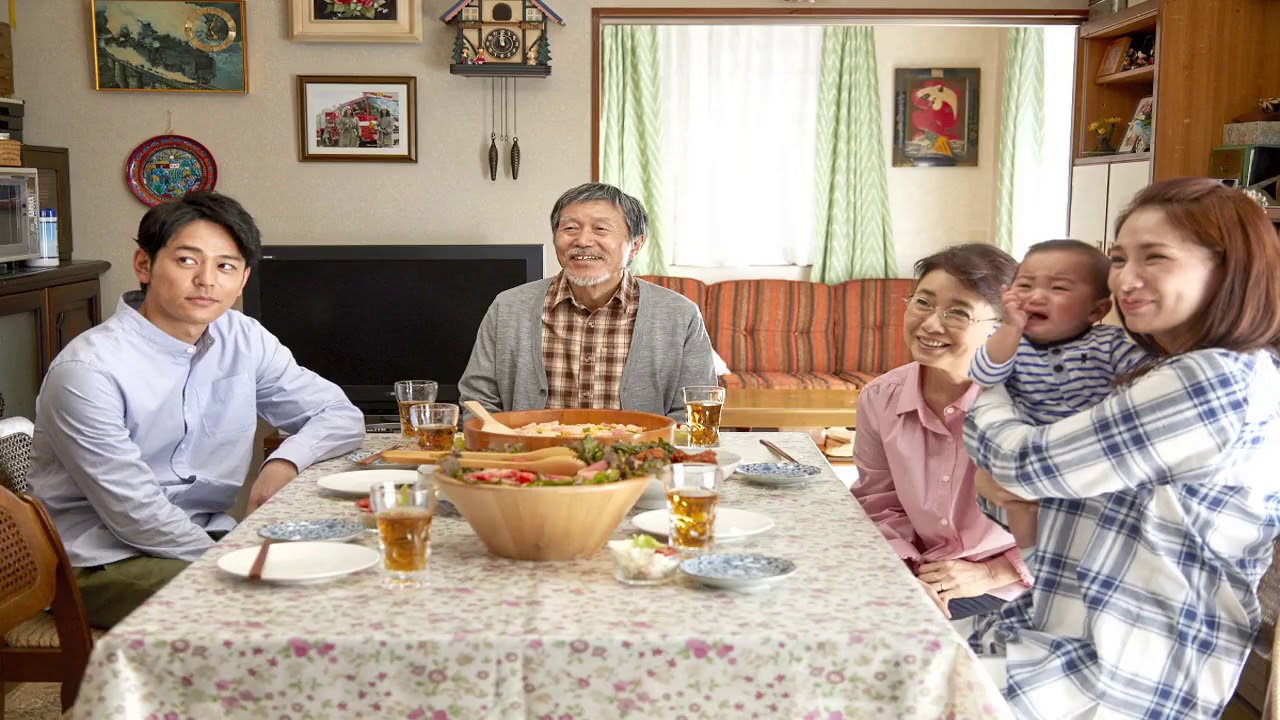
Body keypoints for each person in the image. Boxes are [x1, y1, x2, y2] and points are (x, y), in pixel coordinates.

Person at [963, 178, 1280, 719]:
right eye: (1118, 258)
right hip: (1054, 623)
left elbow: (1022, 464)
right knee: (886, 655)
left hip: (1123, 669)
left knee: (889, 684)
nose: (1127, 280)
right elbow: (1025, 492)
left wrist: (985, 392)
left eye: (1155, 257)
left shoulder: (1216, 380)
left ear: (1230, 268)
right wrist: (1004, 477)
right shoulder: (1158, 372)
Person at [26, 191, 364, 629]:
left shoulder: (243, 338)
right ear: (144, 265)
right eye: (187, 260)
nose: (206, 280)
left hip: (204, 537)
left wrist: (285, 461)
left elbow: (339, 414)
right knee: (282, 605)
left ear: (242, 279)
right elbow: (137, 516)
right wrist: (238, 560)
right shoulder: (87, 371)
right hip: (101, 562)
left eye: (225, 266)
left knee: (350, 568)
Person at [852, 244, 1033, 621]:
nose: (931, 324)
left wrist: (992, 572)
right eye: (923, 302)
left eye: (958, 312)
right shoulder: (880, 398)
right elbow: (880, 500)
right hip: (924, 571)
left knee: (873, 624)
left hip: (1013, 580)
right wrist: (901, 569)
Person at [458, 182, 715, 420]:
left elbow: (694, 411)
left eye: (601, 229)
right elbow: (478, 402)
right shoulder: (509, 307)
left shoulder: (680, 315)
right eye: (570, 228)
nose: (582, 241)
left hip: (641, 455)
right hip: (529, 454)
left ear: (635, 245)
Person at [968, 239, 1147, 548]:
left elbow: (1147, 380)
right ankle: (1034, 553)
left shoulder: (1109, 343)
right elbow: (984, 375)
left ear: (1097, 309)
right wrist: (1010, 328)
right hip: (1032, 454)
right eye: (1024, 285)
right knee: (1025, 515)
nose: (1036, 296)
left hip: (1089, 454)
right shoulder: (1010, 342)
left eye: (1058, 288)